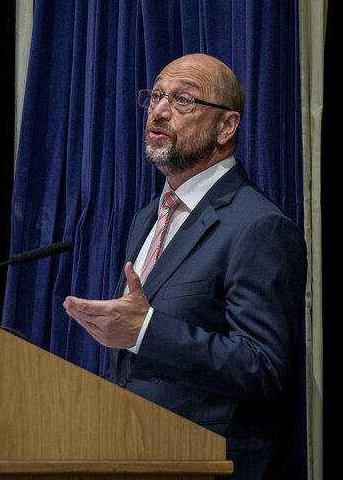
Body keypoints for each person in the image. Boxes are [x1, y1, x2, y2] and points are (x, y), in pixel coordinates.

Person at [63, 53, 307, 480]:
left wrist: (145, 331)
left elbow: (264, 368)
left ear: (226, 126)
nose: (158, 110)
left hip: (210, 464)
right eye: (156, 96)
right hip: (135, 457)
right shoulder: (149, 217)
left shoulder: (258, 226)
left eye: (183, 100)